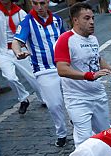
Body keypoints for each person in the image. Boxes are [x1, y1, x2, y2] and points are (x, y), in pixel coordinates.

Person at [54, 2, 111, 146]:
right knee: (84, 139)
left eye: (92, 18)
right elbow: (62, 69)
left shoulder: (93, 39)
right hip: (77, 99)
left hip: (98, 95)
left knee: (105, 135)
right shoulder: (65, 39)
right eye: (87, 18)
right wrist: (88, 76)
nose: (92, 22)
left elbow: (97, 58)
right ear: (75, 20)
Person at [11, 0, 69, 147]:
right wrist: (18, 52)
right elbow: (16, 41)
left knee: (74, 99)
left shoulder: (57, 20)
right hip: (44, 70)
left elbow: (67, 39)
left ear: (48, 2)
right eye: (35, 3)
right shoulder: (27, 21)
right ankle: (61, 133)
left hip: (64, 66)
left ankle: (78, 126)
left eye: (42, 3)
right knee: (54, 104)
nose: (39, 7)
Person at [0, 0, 42, 115]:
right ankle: (23, 98)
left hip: (20, 50)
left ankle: (44, 99)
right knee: (10, 77)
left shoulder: (20, 13)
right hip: (2, 51)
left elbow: (29, 31)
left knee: (32, 77)